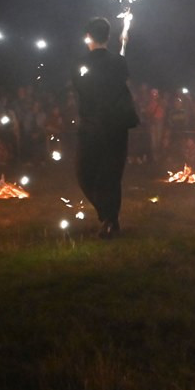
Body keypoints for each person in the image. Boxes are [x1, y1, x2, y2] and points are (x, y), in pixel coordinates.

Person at [72, 17, 139, 239]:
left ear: (88, 36)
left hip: (95, 127)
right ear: (108, 37)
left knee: (87, 174)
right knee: (110, 176)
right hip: (113, 126)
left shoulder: (83, 64)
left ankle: (109, 220)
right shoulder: (118, 62)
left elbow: (80, 89)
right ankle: (110, 218)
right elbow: (122, 83)